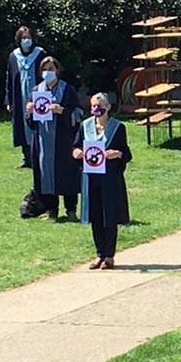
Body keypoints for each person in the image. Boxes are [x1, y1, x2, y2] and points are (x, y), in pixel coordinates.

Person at [73, 93, 131, 269]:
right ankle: (99, 254)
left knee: (109, 216)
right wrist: (76, 153)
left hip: (110, 178)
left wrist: (117, 154)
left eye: (100, 105)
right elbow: (76, 147)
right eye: (93, 106)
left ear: (108, 107)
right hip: (91, 177)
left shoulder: (117, 128)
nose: (97, 109)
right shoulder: (85, 126)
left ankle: (109, 255)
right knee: (96, 216)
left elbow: (127, 154)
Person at [27, 56, 82, 220]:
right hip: (44, 140)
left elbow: (78, 115)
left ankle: (71, 210)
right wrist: (29, 112)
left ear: (57, 70)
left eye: (51, 69)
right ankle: (51, 210)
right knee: (46, 174)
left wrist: (62, 111)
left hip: (63, 140)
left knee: (67, 173)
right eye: (45, 69)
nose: (48, 72)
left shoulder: (67, 90)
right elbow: (30, 123)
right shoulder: (36, 91)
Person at [3, 25, 46, 168]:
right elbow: (9, 78)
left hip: (38, 96)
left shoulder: (40, 54)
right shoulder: (14, 56)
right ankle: (26, 158)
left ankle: (38, 156)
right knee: (22, 126)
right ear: (19, 39)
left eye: (28, 37)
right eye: (23, 38)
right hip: (19, 97)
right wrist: (8, 100)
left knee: (37, 125)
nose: (26, 40)